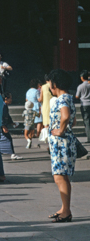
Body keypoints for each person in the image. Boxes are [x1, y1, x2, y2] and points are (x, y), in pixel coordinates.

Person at [47, 69, 77, 223]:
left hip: (61, 143)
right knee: (61, 176)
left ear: (55, 84)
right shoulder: (68, 98)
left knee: (59, 176)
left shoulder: (61, 99)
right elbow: (73, 120)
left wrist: (60, 130)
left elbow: (65, 116)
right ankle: (65, 208)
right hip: (64, 142)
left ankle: (66, 211)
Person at [1, 93, 22, 160]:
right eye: (10, 98)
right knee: (8, 139)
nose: (11, 100)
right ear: (6, 98)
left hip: (2, 125)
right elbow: (1, 116)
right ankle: (12, 154)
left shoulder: (4, 105)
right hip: (1, 126)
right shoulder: (3, 106)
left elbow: (7, 116)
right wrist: (3, 126)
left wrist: (11, 123)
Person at [75, 70, 90, 143]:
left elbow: (77, 96)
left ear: (82, 77)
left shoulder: (80, 86)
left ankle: (89, 138)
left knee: (86, 121)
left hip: (84, 104)